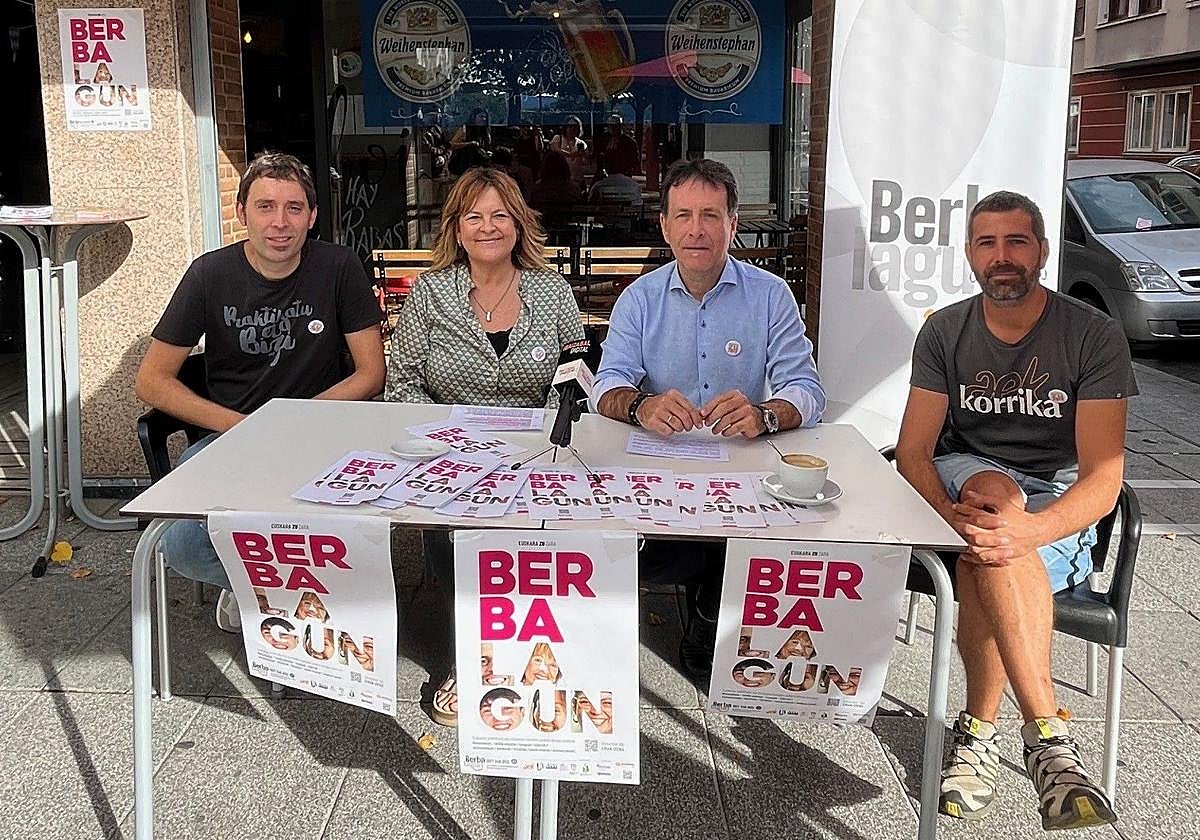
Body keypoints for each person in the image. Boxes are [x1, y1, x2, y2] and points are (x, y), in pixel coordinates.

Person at [895, 190, 1132, 831]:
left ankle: (976, 736)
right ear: (970, 255)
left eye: (1016, 242)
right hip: (965, 475)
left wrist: (1034, 528)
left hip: (1051, 499)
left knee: (992, 544)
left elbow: (1105, 478)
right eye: (987, 243)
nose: (1002, 257)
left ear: (1043, 252)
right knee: (991, 502)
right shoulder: (946, 329)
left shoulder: (1092, 335)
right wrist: (945, 510)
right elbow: (914, 451)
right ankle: (1050, 741)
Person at [592, 158, 825, 683]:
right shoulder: (639, 298)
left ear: (733, 224)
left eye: (711, 216)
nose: (697, 229)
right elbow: (605, 385)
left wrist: (765, 413)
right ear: (665, 226)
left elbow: (808, 391)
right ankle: (689, 600)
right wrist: (639, 405)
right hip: (658, 463)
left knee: (763, 531)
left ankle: (707, 616)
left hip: (738, 464)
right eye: (684, 215)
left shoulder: (771, 295)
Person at [134, 152, 385, 632]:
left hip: (325, 434)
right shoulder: (209, 275)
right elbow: (151, 381)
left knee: (366, 535)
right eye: (266, 206)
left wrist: (292, 421)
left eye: (294, 208)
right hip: (234, 435)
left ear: (312, 216)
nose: (280, 222)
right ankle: (260, 588)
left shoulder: (338, 266)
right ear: (241, 210)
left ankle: (282, 592)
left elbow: (371, 373)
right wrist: (244, 427)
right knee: (181, 546)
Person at [384, 166, 584, 727]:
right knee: (454, 533)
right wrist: (440, 442)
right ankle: (463, 658)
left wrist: (547, 437)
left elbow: (573, 376)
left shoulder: (552, 291)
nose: (488, 226)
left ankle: (528, 647)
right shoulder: (430, 292)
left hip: (535, 452)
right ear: (457, 227)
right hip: (448, 453)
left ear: (519, 225)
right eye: (474, 215)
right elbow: (401, 381)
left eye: (500, 215)